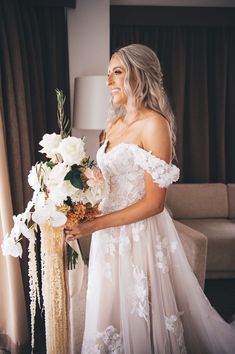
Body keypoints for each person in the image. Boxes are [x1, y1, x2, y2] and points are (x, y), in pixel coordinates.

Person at [65, 44, 235, 354]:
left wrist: (96, 225)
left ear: (140, 77)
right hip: (107, 237)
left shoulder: (155, 125)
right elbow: (109, 183)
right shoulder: (112, 126)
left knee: (141, 317)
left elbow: (154, 203)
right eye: (108, 74)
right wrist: (82, 204)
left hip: (138, 237)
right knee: (108, 314)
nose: (109, 81)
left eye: (117, 72)